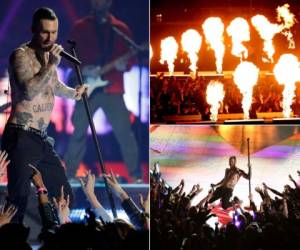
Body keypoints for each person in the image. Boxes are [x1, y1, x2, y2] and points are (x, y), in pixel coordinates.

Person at [1, 7, 87, 223]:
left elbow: (53, 84)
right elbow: (29, 90)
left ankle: (52, 236)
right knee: (17, 202)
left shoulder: (48, 56)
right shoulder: (20, 55)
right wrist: (51, 65)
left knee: (65, 196)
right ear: (33, 30)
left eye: (55, 32)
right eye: (45, 32)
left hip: (40, 137)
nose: (51, 38)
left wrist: (73, 93)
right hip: (21, 136)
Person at [63, 0, 141, 182]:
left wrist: (125, 65)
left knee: (125, 134)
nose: (99, 3)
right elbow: (67, 56)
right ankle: (68, 175)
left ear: (110, 3)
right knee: (78, 132)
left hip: (113, 88)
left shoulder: (120, 29)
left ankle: (136, 177)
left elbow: (131, 58)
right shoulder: (80, 28)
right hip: (86, 88)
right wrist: (82, 70)